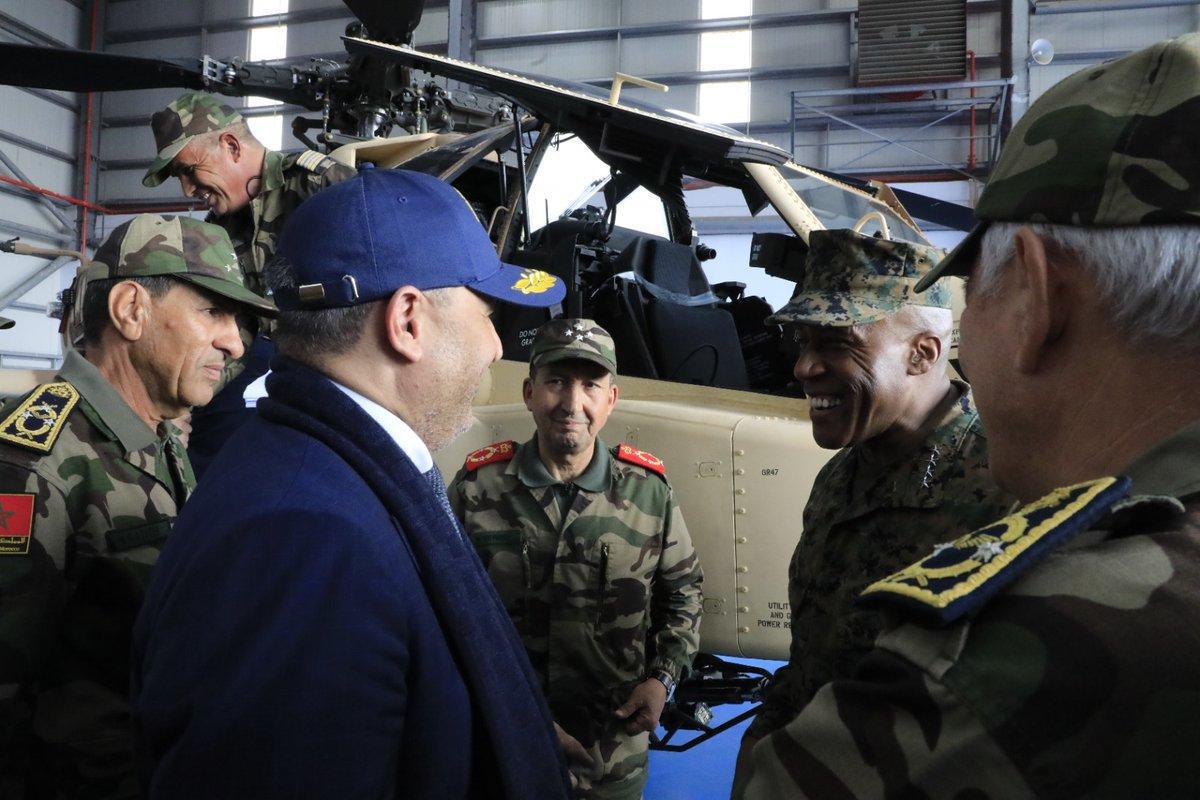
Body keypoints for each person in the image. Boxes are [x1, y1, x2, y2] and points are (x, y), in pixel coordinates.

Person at [736, 32, 1200, 799]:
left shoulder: (1005, 639)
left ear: (1038, 301)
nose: (805, 367)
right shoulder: (842, 482)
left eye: (980, 284)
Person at [132, 168, 574, 799]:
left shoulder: (323, 475)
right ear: (409, 321)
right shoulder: (304, 541)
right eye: (487, 312)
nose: (496, 346)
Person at [0, 214, 273, 798]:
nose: (235, 340)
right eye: (213, 312)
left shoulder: (158, 435)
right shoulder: (33, 460)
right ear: (130, 309)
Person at [732, 228, 1014, 787]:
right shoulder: (839, 478)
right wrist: (759, 753)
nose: (804, 367)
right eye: (803, 341)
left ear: (922, 353)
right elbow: (810, 660)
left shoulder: (1006, 486)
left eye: (838, 342)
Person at [449, 319, 705, 800]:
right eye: (556, 382)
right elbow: (443, 609)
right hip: (506, 740)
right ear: (529, 392)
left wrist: (662, 680)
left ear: (611, 399)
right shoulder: (477, 488)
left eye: (590, 386)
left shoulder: (649, 493)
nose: (572, 404)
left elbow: (684, 592)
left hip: (611, 752)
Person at [142, 91, 355, 474]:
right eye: (180, 177)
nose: (187, 190)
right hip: (265, 359)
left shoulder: (318, 185)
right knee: (204, 447)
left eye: (188, 170)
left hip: (339, 364)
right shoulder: (218, 230)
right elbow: (233, 326)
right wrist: (181, 401)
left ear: (231, 146)